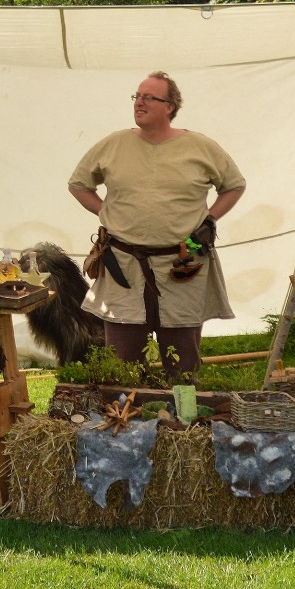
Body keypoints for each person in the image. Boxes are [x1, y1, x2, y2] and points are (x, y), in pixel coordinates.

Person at [67, 71, 247, 382]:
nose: (139, 102)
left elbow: (234, 186)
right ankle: (128, 419)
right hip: (122, 264)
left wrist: (209, 220)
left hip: (183, 262)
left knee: (183, 361)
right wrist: (107, 214)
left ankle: (183, 424)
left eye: (149, 97)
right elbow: (79, 184)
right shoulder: (112, 145)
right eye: (137, 96)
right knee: (122, 361)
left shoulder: (200, 146)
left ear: (170, 106)